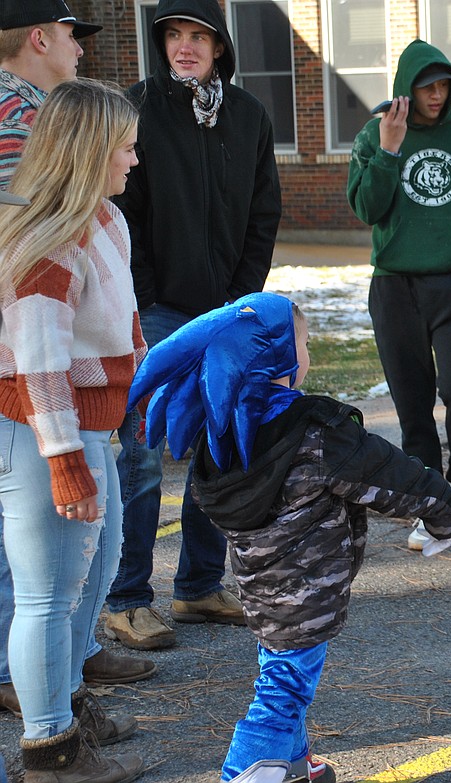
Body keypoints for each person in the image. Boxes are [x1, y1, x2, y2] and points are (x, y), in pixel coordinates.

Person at [125, 292, 451, 783]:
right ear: (277, 355)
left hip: (260, 590)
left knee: (284, 672)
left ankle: (290, 763)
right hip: (311, 592)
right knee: (283, 688)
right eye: (304, 343)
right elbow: (392, 477)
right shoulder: (318, 432)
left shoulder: (223, 437)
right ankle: (242, 771)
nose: (308, 353)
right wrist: (446, 515)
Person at [106, 0, 282, 651]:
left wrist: (242, 300)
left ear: (219, 46)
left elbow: (264, 214)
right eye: (173, 35)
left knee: (220, 444)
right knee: (143, 454)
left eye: (197, 36)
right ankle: (126, 598)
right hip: (155, 309)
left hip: (226, 309)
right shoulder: (138, 110)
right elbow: (123, 214)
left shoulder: (250, 118)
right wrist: (145, 297)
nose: (185, 47)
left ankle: (201, 584)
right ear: (162, 43)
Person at [0, 0, 159, 715]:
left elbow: (121, 321)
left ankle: (66, 696)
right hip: (41, 423)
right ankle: (51, 741)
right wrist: (62, 454)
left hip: (94, 419)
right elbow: (37, 357)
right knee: (45, 591)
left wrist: (148, 380)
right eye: (124, 147)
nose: (134, 158)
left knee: (90, 574)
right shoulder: (49, 235)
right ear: (90, 148)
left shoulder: (107, 217)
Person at [347, 39, 451, 551]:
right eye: (427, 85)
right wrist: (390, 149)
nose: (437, 95)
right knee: (412, 399)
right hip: (394, 285)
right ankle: (430, 501)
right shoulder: (375, 135)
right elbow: (368, 208)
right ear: (405, 88)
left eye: (444, 85)